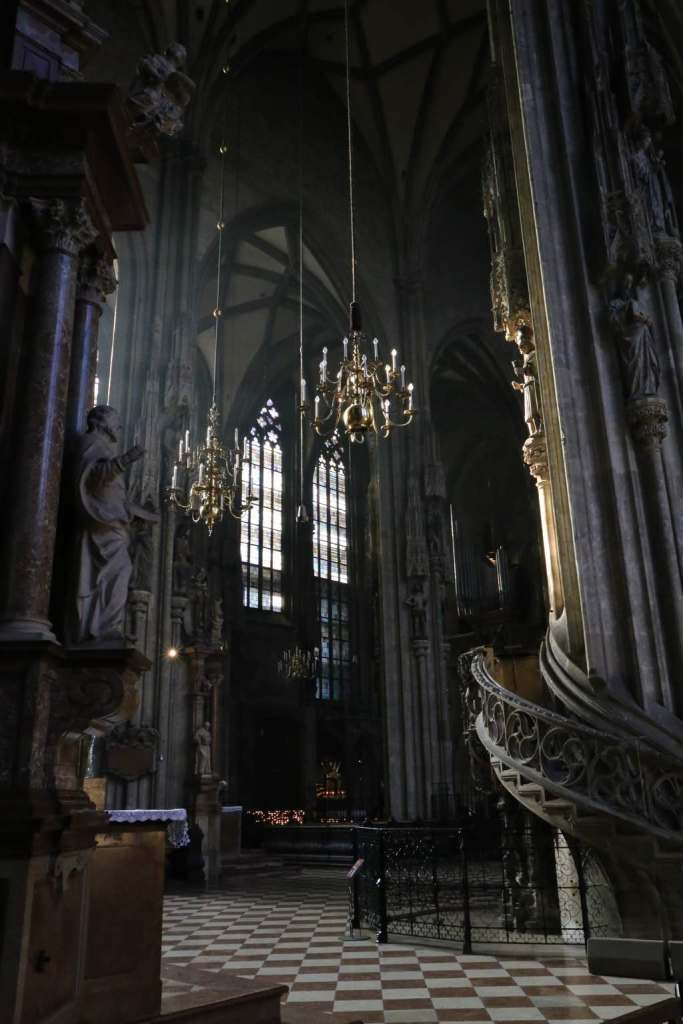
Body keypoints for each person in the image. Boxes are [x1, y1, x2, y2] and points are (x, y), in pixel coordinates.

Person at [70, 405, 157, 644]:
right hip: (100, 523)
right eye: (115, 420)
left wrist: (136, 512)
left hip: (113, 524)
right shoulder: (92, 442)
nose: (119, 426)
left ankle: (105, 626)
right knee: (119, 571)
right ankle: (101, 628)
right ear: (101, 422)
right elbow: (92, 477)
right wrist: (127, 458)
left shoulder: (103, 447)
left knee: (120, 573)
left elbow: (110, 492)